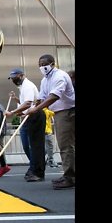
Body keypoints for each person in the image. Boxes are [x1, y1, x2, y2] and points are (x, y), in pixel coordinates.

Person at [28, 54, 75, 189]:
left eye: (44, 64)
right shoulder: (45, 80)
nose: (42, 67)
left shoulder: (60, 76)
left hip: (67, 112)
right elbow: (42, 97)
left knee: (66, 145)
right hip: (59, 112)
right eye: (40, 65)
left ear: (53, 64)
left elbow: (54, 96)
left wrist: (36, 109)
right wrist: (32, 108)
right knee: (67, 145)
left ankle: (69, 177)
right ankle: (70, 174)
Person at [5, 68, 45, 182]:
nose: (13, 80)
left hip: (34, 116)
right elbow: (26, 102)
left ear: (22, 75)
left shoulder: (27, 85)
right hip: (26, 117)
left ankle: (37, 171)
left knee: (35, 145)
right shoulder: (22, 87)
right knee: (26, 145)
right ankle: (34, 167)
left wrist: (12, 112)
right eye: (12, 78)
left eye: (15, 77)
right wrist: (15, 99)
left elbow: (28, 104)